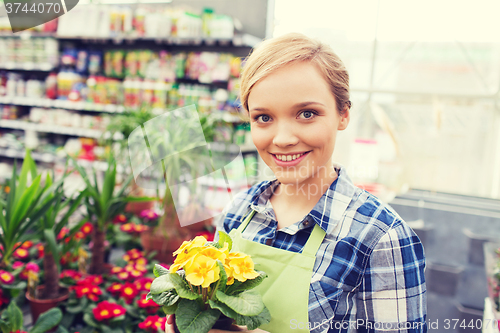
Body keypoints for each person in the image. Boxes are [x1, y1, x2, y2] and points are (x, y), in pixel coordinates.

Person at [165, 32, 427, 333]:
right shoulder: (239, 212)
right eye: (264, 118)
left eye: (306, 113)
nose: (284, 139)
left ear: (343, 114)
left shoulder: (380, 238)